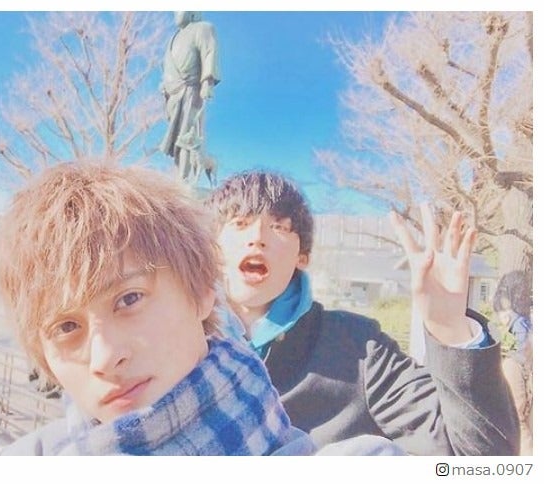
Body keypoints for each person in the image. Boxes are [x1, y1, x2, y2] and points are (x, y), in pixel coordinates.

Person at [0, 161, 403, 456]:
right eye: (66, 327)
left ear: (204, 292)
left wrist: (440, 328)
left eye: (129, 298)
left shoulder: (357, 348)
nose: (104, 357)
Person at [204, 170, 520, 456]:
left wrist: (450, 328)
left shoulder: (359, 349)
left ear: (303, 256)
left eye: (278, 226)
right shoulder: (179, 341)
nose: (257, 238)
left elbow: (483, 461)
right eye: (240, 224)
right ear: (213, 247)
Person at [159, 11, 220, 184]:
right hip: (174, 93)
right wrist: (165, 84)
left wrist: (207, 81)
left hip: (191, 90)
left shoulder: (203, 28)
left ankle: (184, 178)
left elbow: (209, 52)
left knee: (186, 135)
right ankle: (179, 175)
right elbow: (167, 67)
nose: (176, 12)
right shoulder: (173, 38)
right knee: (177, 138)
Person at [493, 271, 533, 455]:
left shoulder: (519, 323)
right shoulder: (525, 319)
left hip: (520, 369)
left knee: (518, 421)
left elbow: (523, 350)